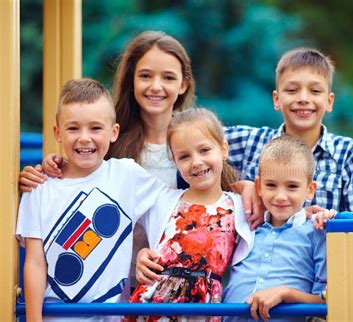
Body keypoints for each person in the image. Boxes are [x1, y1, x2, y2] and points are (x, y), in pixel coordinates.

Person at [18, 30, 262, 287]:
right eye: (145, 76)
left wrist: (241, 187)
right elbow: (80, 177)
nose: (156, 86)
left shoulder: (197, 142)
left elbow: (213, 197)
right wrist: (49, 170)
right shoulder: (110, 141)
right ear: (131, 81)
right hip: (115, 287)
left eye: (168, 77)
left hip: (180, 288)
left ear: (183, 84)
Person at [224, 47, 353, 290]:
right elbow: (195, 148)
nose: (303, 98)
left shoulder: (347, 153)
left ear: (329, 102)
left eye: (315, 90)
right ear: (277, 99)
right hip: (250, 290)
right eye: (292, 89)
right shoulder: (250, 144)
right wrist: (240, 185)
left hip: (320, 296)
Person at [16, 78, 172, 322]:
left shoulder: (127, 175)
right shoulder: (39, 188)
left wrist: (239, 190)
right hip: (59, 316)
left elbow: (178, 206)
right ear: (57, 132)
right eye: (73, 128)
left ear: (114, 132)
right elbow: (35, 264)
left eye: (96, 128)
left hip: (114, 315)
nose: (84, 138)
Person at [126, 108, 254, 322]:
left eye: (204, 150)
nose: (196, 162)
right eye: (184, 156)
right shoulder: (162, 199)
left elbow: (282, 212)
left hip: (202, 311)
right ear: (174, 161)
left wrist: (312, 213)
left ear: (223, 149)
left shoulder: (240, 205)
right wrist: (140, 256)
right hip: (153, 306)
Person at [223, 135, 327, 322]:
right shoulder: (246, 223)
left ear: (310, 190)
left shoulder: (317, 232)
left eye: (292, 186)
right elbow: (212, 190)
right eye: (271, 185)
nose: (280, 196)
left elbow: (327, 302)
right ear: (259, 187)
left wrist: (285, 293)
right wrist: (244, 187)